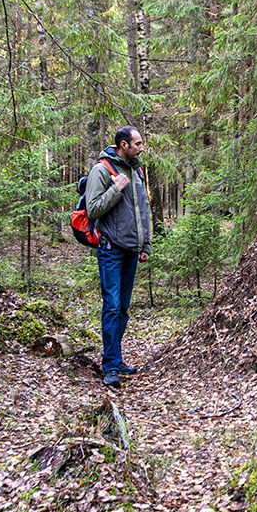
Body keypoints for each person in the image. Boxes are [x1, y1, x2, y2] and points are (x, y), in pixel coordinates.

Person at [86, 126, 152, 387]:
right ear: (123, 145)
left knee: (123, 308)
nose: (141, 147)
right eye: (137, 143)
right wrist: (115, 190)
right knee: (112, 307)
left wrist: (145, 244)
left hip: (131, 250)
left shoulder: (135, 170)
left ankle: (116, 357)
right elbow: (92, 210)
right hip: (110, 249)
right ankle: (110, 365)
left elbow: (143, 210)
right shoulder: (101, 170)